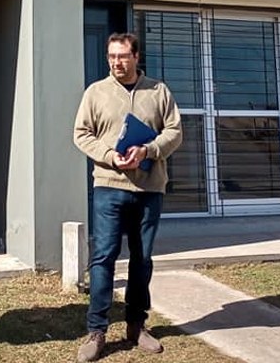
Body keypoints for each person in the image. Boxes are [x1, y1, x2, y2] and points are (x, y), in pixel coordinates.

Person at [73, 33, 183, 362]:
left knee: (142, 259)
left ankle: (136, 325)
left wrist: (148, 150)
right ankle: (97, 330)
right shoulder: (95, 92)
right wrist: (110, 155)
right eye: (111, 56)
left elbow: (175, 131)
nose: (116, 62)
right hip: (109, 186)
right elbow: (81, 134)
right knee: (103, 257)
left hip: (149, 189)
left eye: (122, 56)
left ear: (136, 57)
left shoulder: (158, 91)